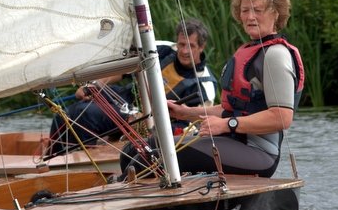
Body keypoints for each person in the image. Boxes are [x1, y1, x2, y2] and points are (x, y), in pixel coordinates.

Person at [163, 0, 304, 178]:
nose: (250, 16)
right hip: (235, 143)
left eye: (257, 10)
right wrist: (185, 112)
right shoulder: (251, 51)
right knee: (144, 148)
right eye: (245, 10)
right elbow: (232, 109)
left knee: (154, 154)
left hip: (259, 154)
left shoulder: (275, 55)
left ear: (275, 13)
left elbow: (282, 117)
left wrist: (226, 125)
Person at [46, 18, 217, 156]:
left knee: (85, 114)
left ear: (202, 47)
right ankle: (53, 158)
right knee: (66, 113)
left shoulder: (205, 86)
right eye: (181, 44)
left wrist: (146, 124)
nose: (184, 51)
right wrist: (95, 84)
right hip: (127, 97)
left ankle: (81, 159)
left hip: (144, 119)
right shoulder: (163, 50)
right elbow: (123, 70)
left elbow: (194, 128)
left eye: (191, 46)